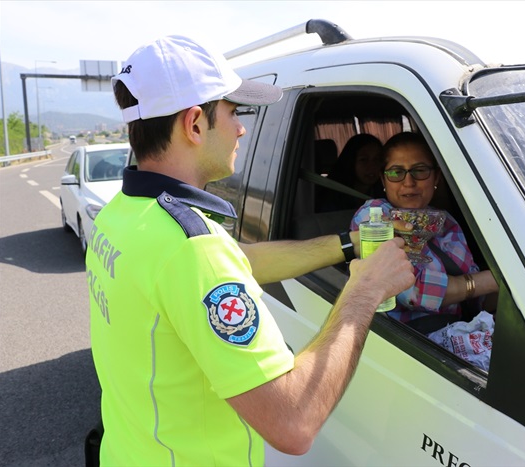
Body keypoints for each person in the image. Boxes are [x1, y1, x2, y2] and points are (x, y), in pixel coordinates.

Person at [86, 35, 415, 466]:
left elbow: (238, 261)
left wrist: (347, 245)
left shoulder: (124, 215)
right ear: (194, 125)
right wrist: (366, 291)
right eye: (233, 111)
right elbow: (293, 422)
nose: (242, 127)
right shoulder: (191, 249)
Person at [350, 132, 498, 328]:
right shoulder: (374, 216)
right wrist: (498, 279)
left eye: (420, 171)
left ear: (436, 176)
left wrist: (515, 289)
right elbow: (414, 293)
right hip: (410, 343)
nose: (409, 182)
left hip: (459, 335)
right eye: (396, 172)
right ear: (383, 179)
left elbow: (476, 300)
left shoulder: (447, 223)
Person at [318, 133, 384, 212]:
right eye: (364, 160)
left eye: (377, 159)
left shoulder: (384, 194)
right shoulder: (332, 198)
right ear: (351, 162)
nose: (372, 166)